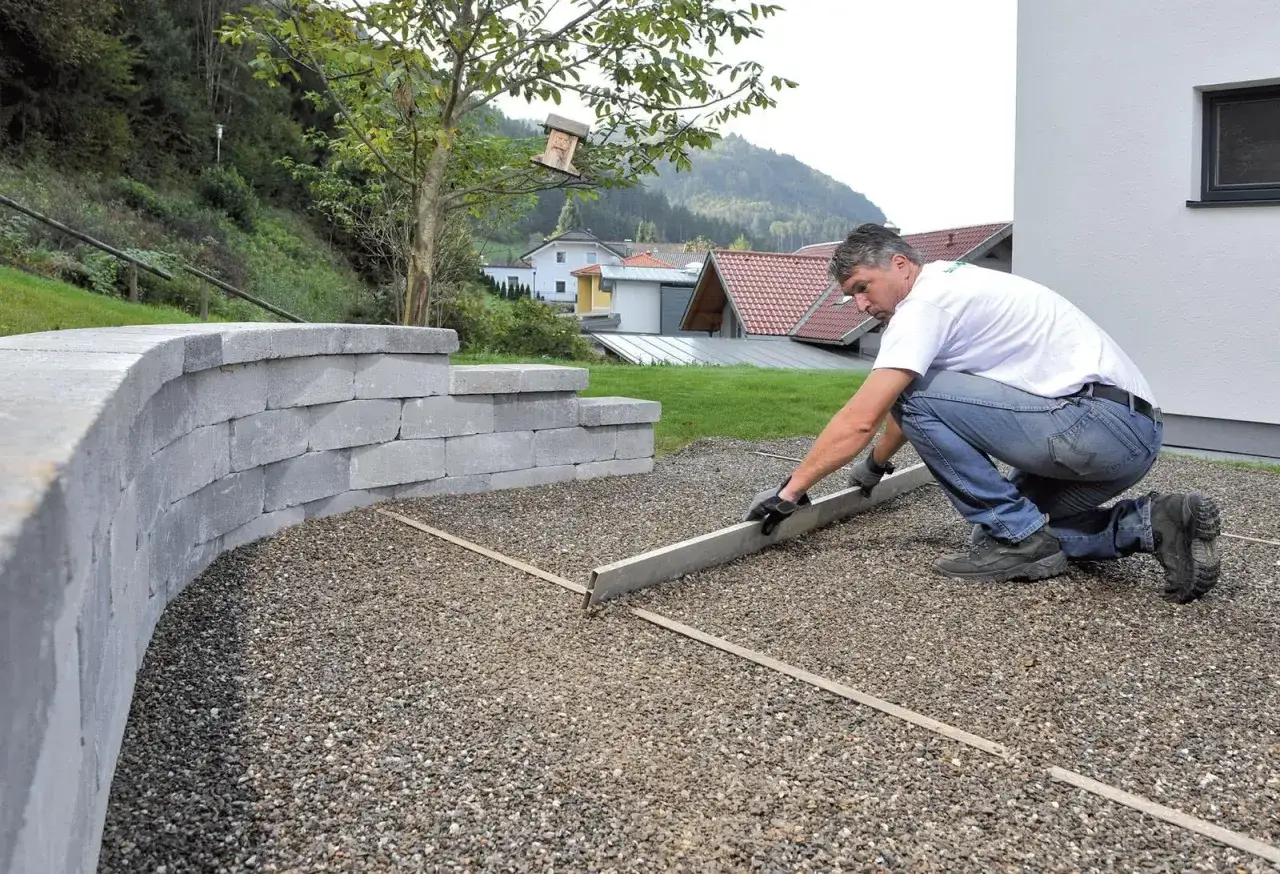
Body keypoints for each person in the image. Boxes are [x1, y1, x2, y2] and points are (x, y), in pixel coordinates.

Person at [744, 223, 1221, 603]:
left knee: (1006, 522)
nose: (863, 305)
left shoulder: (922, 305)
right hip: (1134, 435)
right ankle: (1153, 523)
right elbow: (919, 409)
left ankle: (1022, 535)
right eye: (853, 296)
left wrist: (790, 493)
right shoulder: (956, 282)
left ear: (900, 264)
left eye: (864, 287)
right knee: (1002, 535)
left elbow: (867, 415)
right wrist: (872, 469)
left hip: (1090, 428)